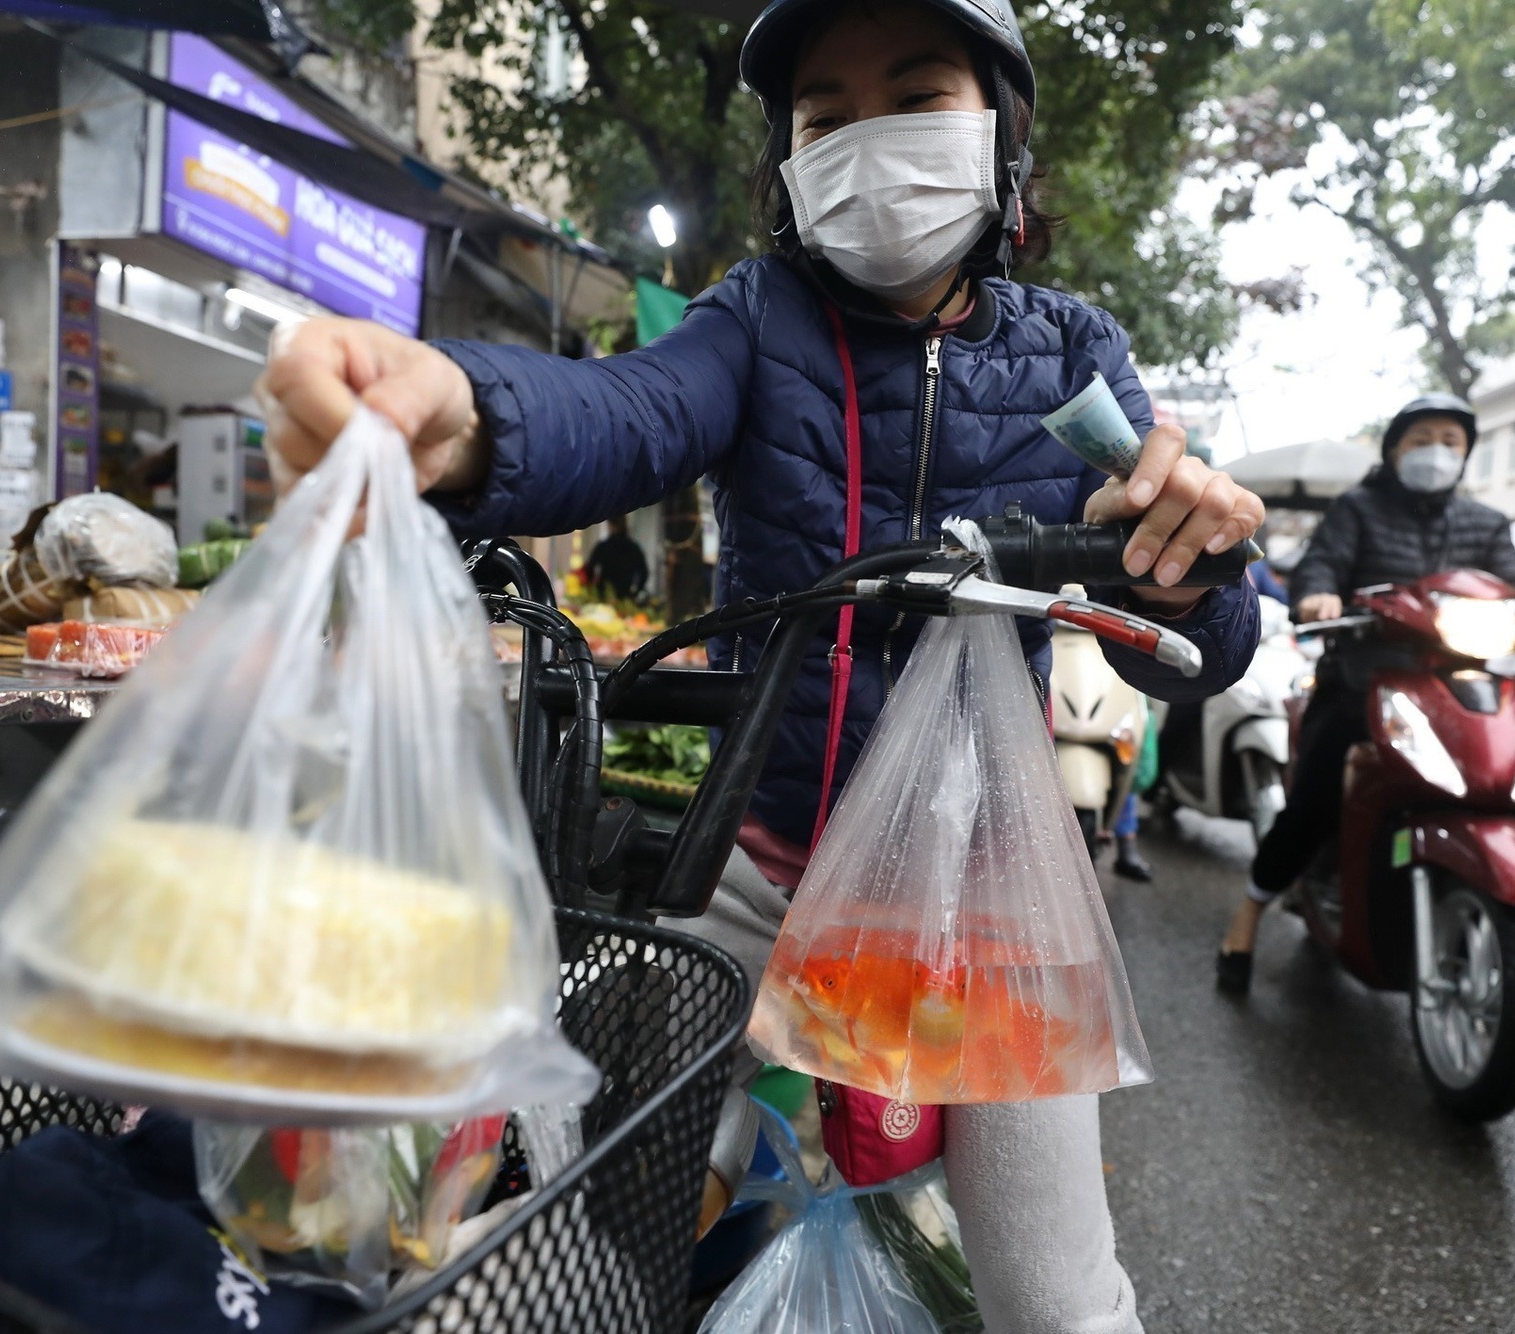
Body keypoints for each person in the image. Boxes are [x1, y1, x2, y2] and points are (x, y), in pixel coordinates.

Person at [257, 0, 1265, 1325]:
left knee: (1055, 1290)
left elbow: (1190, 638)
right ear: (788, 163)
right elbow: (625, 412)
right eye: (826, 119)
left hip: (986, 909)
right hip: (760, 870)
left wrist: (1196, 561)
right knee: (610, 1210)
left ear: (1003, 133)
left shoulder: (1074, 356)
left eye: (916, 100)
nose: (871, 144)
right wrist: (460, 422)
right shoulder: (757, 318)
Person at [1215, 393, 1515, 994]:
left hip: (1456, 686)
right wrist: (1319, 595)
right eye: (1423, 439)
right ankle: (1248, 915)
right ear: (1396, 447)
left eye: (1451, 442)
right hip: (1364, 680)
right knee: (1315, 799)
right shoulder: (1359, 509)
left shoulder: (1486, 523)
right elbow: (1322, 566)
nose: (1437, 453)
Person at [584, 516, 649, 601]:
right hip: (625, 596)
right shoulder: (634, 548)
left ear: (610, 525)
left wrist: (593, 587)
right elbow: (644, 572)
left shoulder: (603, 547)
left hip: (603, 595)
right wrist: (636, 591)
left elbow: (590, 569)